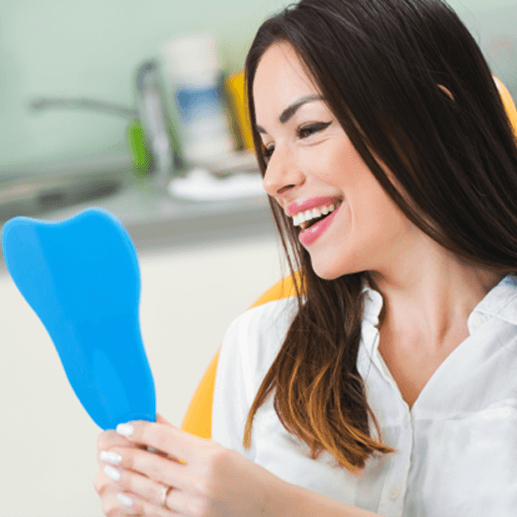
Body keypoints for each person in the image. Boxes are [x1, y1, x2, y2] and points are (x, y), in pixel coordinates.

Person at [93, 0, 517, 515]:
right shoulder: (261, 347)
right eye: (269, 147)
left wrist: (277, 507)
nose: (274, 179)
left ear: (437, 120)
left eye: (309, 129)